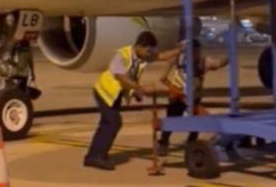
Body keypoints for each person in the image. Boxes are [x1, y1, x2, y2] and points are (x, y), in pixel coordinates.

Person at [84, 30, 182, 170]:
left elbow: (161, 56)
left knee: (107, 124)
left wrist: (179, 50)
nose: (150, 54)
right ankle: (96, 156)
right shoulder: (122, 55)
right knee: (113, 123)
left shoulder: (142, 56)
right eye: (148, 51)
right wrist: (139, 88)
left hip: (114, 95)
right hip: (104, 92)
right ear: (140, 46)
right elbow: (120, 77)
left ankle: (94, 156)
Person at [156, 38, 228, 156]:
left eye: (197, 52)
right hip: (177, 98)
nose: (195, 55)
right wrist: (174, 89)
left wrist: (229, 57)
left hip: (194, 98)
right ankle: (163, 143)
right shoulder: (178, 60)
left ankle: (191, 145)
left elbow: (219, 63)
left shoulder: (204, 62)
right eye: (192, 52)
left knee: (197, 121)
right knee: (172, 120)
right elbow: (162, 78)